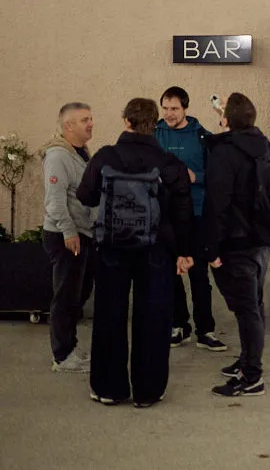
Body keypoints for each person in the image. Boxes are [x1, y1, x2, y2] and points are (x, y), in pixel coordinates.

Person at [77, 98, 194, 408]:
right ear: (154, 124)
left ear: (125, 121)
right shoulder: (168, 162)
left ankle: (109, 388)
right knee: (154, 318)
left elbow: (85, 196)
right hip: (156, 249)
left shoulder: (105, 156)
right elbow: (183, 210)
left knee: (109, 315)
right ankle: (148, 391)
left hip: (112, 247)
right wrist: (184, 251)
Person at [202, 93, 270, 397]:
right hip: (261, 240)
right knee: (254, 304)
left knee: (246, 310)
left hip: (236, 243)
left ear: (226, 120)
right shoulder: (260, 144)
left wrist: (211, 249)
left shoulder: (224, 153)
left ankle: (252, 377)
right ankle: (247, 360)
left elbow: (217, 204)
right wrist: (227, 115)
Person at [155, 86, 226, 352]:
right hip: (165, 214)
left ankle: (205, 330)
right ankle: (178, 326)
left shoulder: (201, 136)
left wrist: (197, 176)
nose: (169, 114)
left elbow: (218, 173)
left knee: (198, 273)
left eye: (174, 109)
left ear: (185, 108)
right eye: (165, 108)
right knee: (170, 273)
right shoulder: (155, 134)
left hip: (196, 213)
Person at [41, 102, 97, 373]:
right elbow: (55, 201)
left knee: (78, 294)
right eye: (84, 120)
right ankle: (62, 356)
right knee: (66, 297)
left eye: (90, 118)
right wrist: (69, 232)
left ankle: (70, 347)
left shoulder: (80, 153)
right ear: (68, 126)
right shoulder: (58, 156)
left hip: (82, 234)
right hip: (66, 237)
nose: (91, 124)